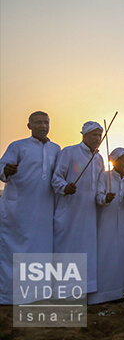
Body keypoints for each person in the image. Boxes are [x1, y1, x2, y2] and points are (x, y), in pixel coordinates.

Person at [0, 111, 61, 304]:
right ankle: (10, 296)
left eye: (46, 122)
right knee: (15, 252)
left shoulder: (56, 149)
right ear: (29, 126)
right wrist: (5, 170)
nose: (43, 126)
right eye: (38, 123)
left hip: (44, 210)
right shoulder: (17, 146)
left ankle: (38, 294)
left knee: (41, 251)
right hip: (18, 210)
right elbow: (2, 168)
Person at [52, 121, 105, 295]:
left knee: (86, 250)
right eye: (94, 135)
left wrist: (104, 198)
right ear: (84, 135)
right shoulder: (69, 152)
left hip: (89, 213)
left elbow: (98, 186)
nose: (97, 138)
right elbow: (56, 178)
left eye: (99, 135)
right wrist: (65, 187)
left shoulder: (98, 158)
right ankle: (61, 289)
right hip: (69, 211)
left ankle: (83, 289)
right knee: (66, 248)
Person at [88, 148, 124, 305]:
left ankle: (118, 291)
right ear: (115, 161)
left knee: (121, 256)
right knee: (105, 255)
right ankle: (100, 295)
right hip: (106, 223)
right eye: (123, 160)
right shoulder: (104, 177)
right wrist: (105, 198)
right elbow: (98, 197)